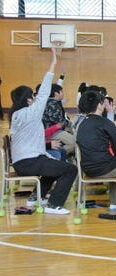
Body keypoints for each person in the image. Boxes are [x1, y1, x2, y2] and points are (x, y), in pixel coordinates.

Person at [9, 48, 77, 214]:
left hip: (24, 160)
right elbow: (45, 91)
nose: (35, 98)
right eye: (32, 96)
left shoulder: (16, 115)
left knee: (56, 166)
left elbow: (28, 139)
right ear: (28, 99)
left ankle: (34, 198)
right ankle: (54, 205)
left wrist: (46, 145)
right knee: (70, 170)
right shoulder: (30, 112)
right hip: (29, 162)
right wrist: (53, 63)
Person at [42, 83, 76, 154]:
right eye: (62, 91)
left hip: (53, 129)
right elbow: (59, 121)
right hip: (52, 131)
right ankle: (56, 154)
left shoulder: (51, 102)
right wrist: (70, 123)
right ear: (56, 93)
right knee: (74, 143)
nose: (63, 93)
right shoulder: (52, 104)